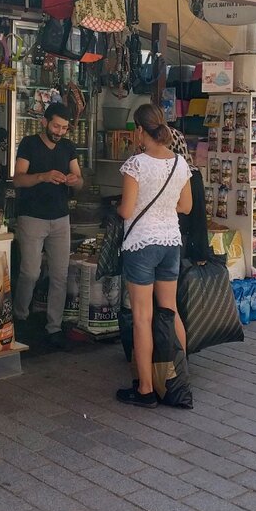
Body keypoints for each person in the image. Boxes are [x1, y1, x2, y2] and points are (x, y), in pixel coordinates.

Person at [115, 104, 193, 408]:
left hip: (141, 245)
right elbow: (185, 206)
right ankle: (179, 380)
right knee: (170, 311)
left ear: (139, 130)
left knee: (142, 317)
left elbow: (126, 210)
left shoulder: (135, 165)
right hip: (170, 242)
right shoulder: (180, 163)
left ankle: (146, 389)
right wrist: (163, 208)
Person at [12, 102, 83, 347]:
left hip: (61, 218)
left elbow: (80, 181)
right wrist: (43, 176)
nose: (59, 132)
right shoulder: (29, 144)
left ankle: (54, 327)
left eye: (64, 128)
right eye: (56, 126)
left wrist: (74, 180)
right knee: (30, 272)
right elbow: (18, 180)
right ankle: (20, 317)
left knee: (60, 275)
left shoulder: (68, 147)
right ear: (44, 122)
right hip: (32, 217)